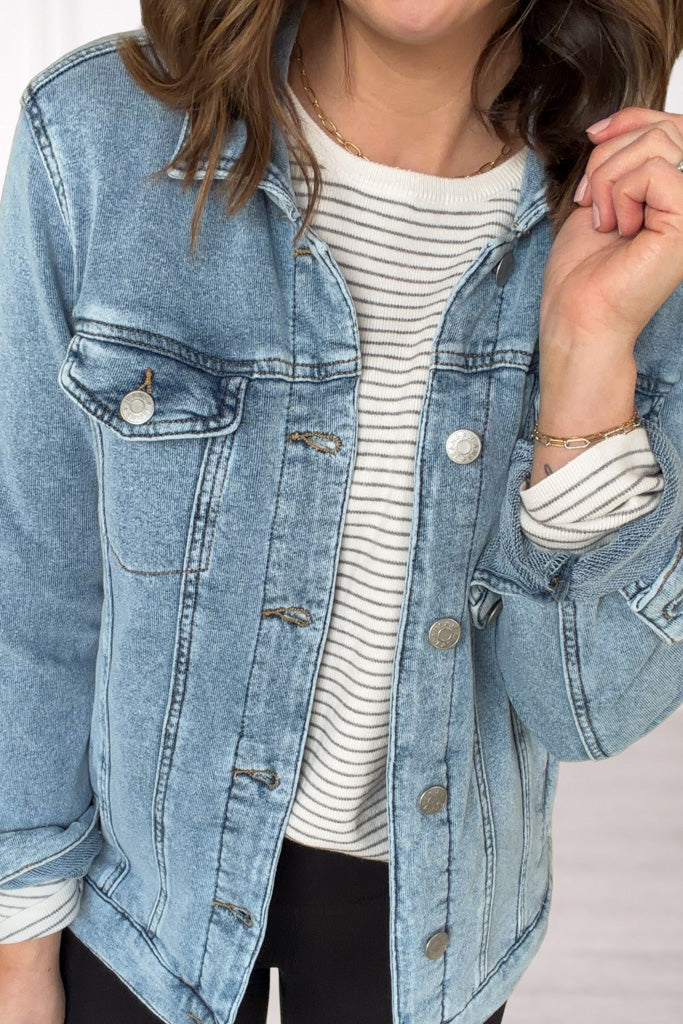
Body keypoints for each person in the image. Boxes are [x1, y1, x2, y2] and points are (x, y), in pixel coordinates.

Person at [1, 0, 683, 1022]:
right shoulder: (99, 132)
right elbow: (35, 580)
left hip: (431, 925)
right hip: (139, 901)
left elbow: (583, 710)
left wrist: (586, 357)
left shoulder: (647, 221)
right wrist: (17, 948)